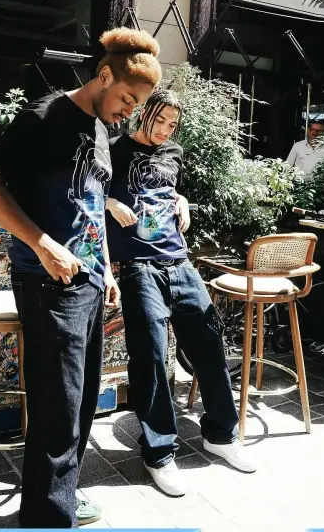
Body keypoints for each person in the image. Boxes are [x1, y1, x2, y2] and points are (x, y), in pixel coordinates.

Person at [0, 27, 162, 528]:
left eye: (137, 105)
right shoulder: (43, 117)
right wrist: (42, 243)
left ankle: (62, 499)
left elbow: (90, 204)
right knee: (58, 404)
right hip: (46, 280)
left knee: (80, 401)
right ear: (104, 76)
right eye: (127, 99)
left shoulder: (101, 130)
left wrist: (105, 267)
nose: (129, 113)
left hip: (89, 280)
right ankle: (48, 518)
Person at [105, 89, 255, 498]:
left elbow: (165, 191)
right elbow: (84, 194)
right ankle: (159, 454)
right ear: (144, 113)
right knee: (151, 356)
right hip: (138, 266)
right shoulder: (114, 149)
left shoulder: (174, 152)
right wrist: (110, 202)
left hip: (179, 260)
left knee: (210, 344)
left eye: (173, 124)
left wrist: (182, 199)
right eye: (160, 121)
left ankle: (221, 435)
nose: (165, 130)